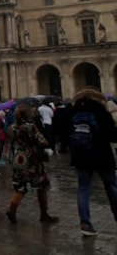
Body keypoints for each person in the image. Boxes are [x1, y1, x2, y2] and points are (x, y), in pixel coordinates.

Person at [68, 88, 117, 236]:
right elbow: (112, 135)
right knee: (112, 187)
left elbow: (66, 133)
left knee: (83, 189)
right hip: (102, 154)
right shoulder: (100, 111)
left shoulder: (73, 112)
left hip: (81, 155)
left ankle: (85, 223)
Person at [5, 104, 58, 224]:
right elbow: (42, 142)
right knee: (42, 186)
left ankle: (12, 209)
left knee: (20, 187)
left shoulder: (12, 127)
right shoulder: (30, 127)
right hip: (32, 160)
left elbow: (10, 143)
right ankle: (44, 214)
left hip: (18, 159)